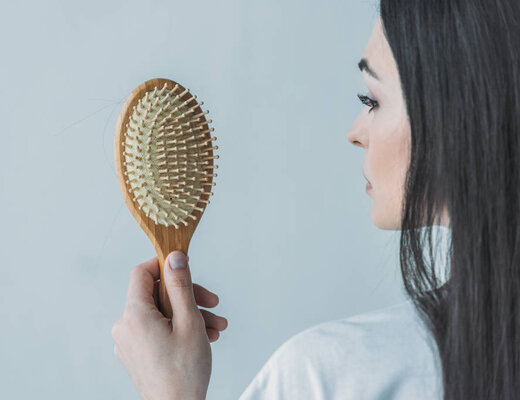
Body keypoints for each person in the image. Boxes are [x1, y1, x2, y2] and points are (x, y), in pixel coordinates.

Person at [110, 0, 520, 398]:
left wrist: (170, 391)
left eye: (372, 100)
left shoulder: (325, 378)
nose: (355, 132)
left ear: (463, 115)